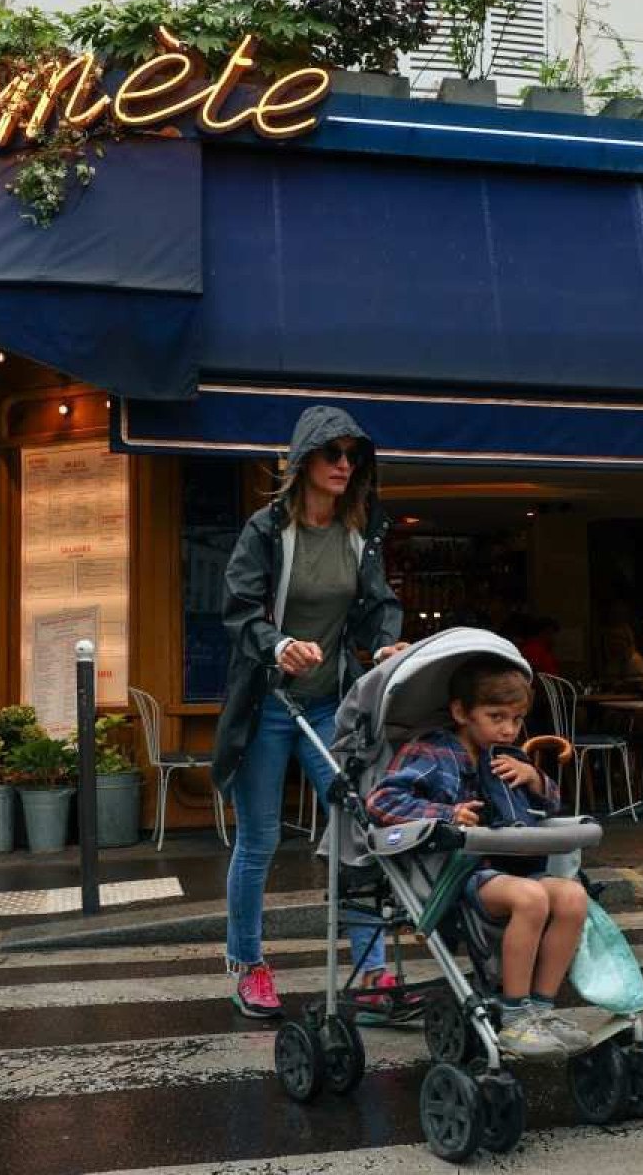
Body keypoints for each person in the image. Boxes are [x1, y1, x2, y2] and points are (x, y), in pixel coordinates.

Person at [211, 405, 409, 1020]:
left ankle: (373, 974)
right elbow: (239, 608)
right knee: (260, 840)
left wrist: (384, 642)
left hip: (330, 705)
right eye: (332, 454)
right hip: (268, 704)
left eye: (353, 456)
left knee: (358, 828)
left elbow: (378, 603)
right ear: (304, 463)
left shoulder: (361, 529)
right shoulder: (267, 530)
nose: (344, 465)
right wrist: (278, 644)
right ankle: (249, 965)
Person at [366, 655, 592, 1058]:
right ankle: (515, 1016)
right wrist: (447, 814)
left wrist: (537, 780)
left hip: (513, 868)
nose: (508, 729)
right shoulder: (433, 752)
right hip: (457, 874)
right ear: (460, 712)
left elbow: (549, 809)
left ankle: (541, 1008)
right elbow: (383, 801)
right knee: (532, 898)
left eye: (517, 719)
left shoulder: (508, 758)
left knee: (574, 898)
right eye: (496, 717)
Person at [597, 623, 643, 694]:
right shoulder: (613, 662)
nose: (615, 642)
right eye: (612, 638)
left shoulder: (635, 660)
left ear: (628, 641)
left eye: (619, 638)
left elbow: (632, 687)